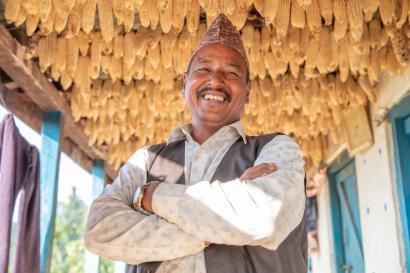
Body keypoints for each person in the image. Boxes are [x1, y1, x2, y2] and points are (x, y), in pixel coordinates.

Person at [85, 14, 307, 273]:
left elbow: (266, 217)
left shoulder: (277, 150)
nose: (215, 79)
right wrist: (214, 229)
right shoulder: (147, 159)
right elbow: (99, 231)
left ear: (247, 91)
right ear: (184, 83)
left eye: (231, 72)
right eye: (203, 69)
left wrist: (151, 195)